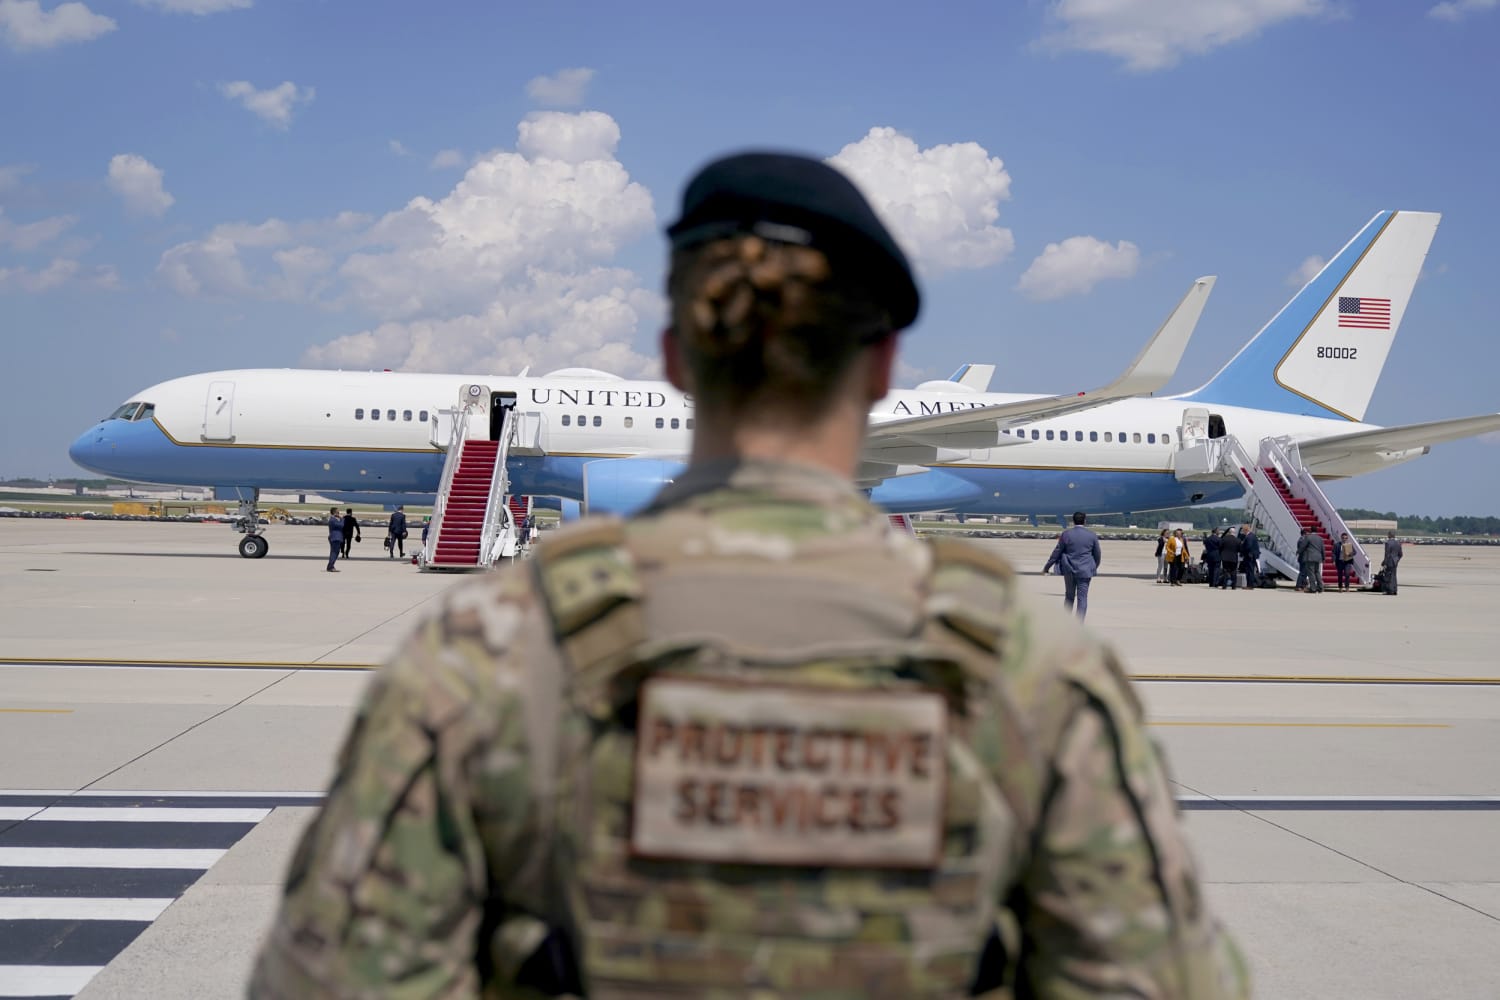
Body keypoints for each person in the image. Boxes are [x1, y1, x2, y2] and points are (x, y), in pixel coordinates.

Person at [251, 151, 1247, 999]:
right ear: (886, 365)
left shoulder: (483, 654)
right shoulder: (1034, 671)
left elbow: (331, 972)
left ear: (675, 357)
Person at [1042, 511, 1102, 621]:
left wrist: (1047, 567)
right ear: (1084, 521)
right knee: (1082, 598)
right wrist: (1093, 566)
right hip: (1085, 571)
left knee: (1069, 597)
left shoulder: (1066, 534)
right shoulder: (1091, 535)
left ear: (1073, 521)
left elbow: (1057, 552)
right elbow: (1097, 554)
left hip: (1069, 569)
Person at [1297, 527, 1325, 594]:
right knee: (1317, 572)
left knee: (1311, 573)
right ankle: (1320, 587)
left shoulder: (1308, 537)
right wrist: (1323, 557)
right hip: (1318, 557)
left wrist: (1298, 551)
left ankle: (1313, 588)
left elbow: (1303, 546)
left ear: (1310, 530)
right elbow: (1323, 549)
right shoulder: (1320, 538)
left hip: (1310, 557)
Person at [1218, 523, 1242, 590]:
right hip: (1234, 558)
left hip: (1225, 558)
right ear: (1234, 533)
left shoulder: (1224, 539)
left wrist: (1222, 554)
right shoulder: (1238, 540)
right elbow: (1240, 549)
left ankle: (1224, 585)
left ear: (1229, 532)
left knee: (1225, 572)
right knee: (1234, 572)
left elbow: (1220, 547)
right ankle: (1234, 586)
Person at [1382, 529, 1404, 595]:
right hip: (1395, 562)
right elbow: (1401, 554)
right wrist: (1397, 560)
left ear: (1389, 535)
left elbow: (1387, 554)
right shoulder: (1398, 543)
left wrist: (1384, 563)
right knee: (1394, 576)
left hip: (1389, 561)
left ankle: (1390, 590)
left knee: (1388, 575)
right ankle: (1394, 590)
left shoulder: (1388, 543)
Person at [1240, 524, 1260, 589]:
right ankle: (1250, 584)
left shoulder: (1249, 537)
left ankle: (1250, 585)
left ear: (1245, 530)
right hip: (1252, 556)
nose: (1242, 532)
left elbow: (1248, 546)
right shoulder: (1252, 536)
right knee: (1250, 570)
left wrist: (1242, 548)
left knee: (1249, 571)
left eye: (1243, 530)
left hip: (1249, 556)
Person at [323, 506, 342, 573]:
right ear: (334, 512)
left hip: (336, 537)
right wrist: (342, 519)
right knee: (334, 553)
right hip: (335, 537)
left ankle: (330, 566)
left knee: (335, 552)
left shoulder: (334, 519)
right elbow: (341, 525)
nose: (339, 513)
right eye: (337, 512)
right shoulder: (333, 519)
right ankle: (331, 567)